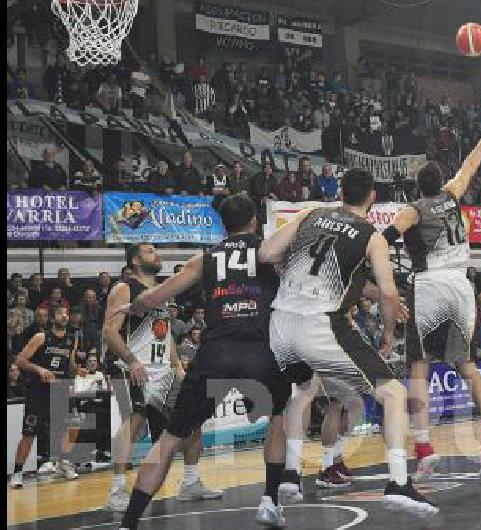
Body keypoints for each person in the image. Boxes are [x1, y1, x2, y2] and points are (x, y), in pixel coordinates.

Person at [263, 169, 438, 513]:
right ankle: (399, 483)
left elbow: (267, 254)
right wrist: (388, 333)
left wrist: (293, 278)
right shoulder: (372, 237)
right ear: (372, 196)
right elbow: (389, 293)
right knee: (394, 393)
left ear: (341, 192)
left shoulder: (311, 214)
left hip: (281, 323)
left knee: (302, 392)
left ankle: (290, 475)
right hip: (321, 325)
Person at [114, 195, 291, 528]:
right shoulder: (270, 251)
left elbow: (153, 298)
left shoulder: (204, 258)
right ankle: (270, 500)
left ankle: (128, 523)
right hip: (261, 350)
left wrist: (132, 307)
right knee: (278, 418)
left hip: (216, 353)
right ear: (254, 220)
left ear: (223, 225)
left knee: (169, 439)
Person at [384, 125, 481, 481]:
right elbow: (469, 166)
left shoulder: (414, 210)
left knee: (419, 368)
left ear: (417, 187)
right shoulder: (452, 195)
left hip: (431, 285)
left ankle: (424, 449)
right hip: (461, 285)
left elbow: (388, 236)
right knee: (467, 364)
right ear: (440, 182)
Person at [102, 243, 220, 513]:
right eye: (149, 250)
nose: (156, 254)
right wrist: (132, 362)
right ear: (134, 260)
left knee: (193, 415)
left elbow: (164, 335)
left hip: (162, 370)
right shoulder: (124, 288)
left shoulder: (161, 293)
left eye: (156, 250)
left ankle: (190, 482)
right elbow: (110, 332)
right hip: (130, 365)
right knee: (135, 418)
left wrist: (176, 364)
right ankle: (117, 489)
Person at [10, 307, 80, 488]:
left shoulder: (72, 339)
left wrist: (78, 370)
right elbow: (20, 360)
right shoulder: (41, 337)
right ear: (53, 317)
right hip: (38, 392)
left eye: (66, 313)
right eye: (60, 313)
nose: (64, 316)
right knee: (29, 433)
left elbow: (70, 365)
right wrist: (40, 369)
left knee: (70, 427)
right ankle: (17, 473)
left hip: (60, 390)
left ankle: (63, 463)